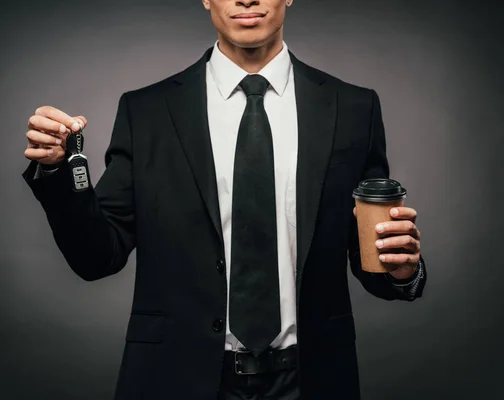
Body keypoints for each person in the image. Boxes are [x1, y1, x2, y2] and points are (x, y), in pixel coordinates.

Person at [21, 1, 427, 399]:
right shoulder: (146, 111)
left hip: (311, 379)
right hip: (177, 377)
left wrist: (402, 271)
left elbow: (374, 258)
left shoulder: (353, 108)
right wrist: (58, 172)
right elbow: (97, 257)